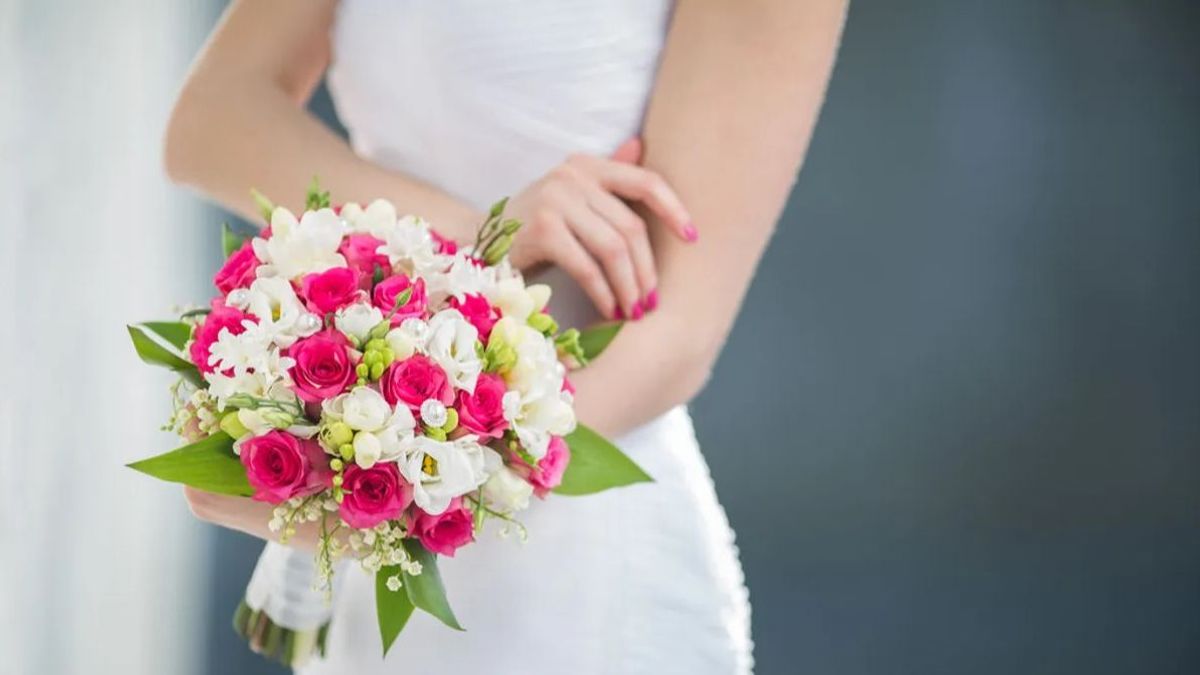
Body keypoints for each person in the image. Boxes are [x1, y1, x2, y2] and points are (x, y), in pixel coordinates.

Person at [165, 1, 846, 672]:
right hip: (378, 562)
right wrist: (482, 235)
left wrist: (397, 491)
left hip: (574, 564)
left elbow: (673, 339)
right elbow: (212, 117)